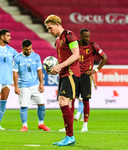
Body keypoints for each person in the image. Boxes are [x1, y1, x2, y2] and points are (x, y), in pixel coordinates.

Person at [44, 15, 80, 146]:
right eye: (47, 29)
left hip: (71, 73)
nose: (49, 31)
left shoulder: (70, 35)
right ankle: (68, 136)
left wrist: (60, 66)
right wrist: (55, 68)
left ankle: (70, 136)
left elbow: (76, 55)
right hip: (63, 73)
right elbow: (62, 58)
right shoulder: (58, 40)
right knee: (66, 103)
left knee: (63, 101)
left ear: (57, 24)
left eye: (50, 28)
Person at [12, 39, 50, 132]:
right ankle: (24, 126)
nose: (28, 51)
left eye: (30, 49)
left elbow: (40, 71)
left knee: (42, 104)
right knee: (24, 106)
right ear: (22, 48)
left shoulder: (36, 57)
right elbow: (14, 73)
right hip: (23, 86)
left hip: (35, 85)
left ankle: (41, 123)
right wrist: (16, 86)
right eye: (26, 50)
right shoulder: (17, 58)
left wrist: (41, 84)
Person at [75, 28, 107, 132]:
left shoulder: (93, 46)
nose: (87, 38)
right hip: (74, 74)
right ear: (80, 36)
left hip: (85, 76)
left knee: (85, 100)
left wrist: (96, 69)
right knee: (70, 100)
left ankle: (85, 125)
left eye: (88, 36)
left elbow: (105, 58)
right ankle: (68, 125)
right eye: (85, 36)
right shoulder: (74, 44)